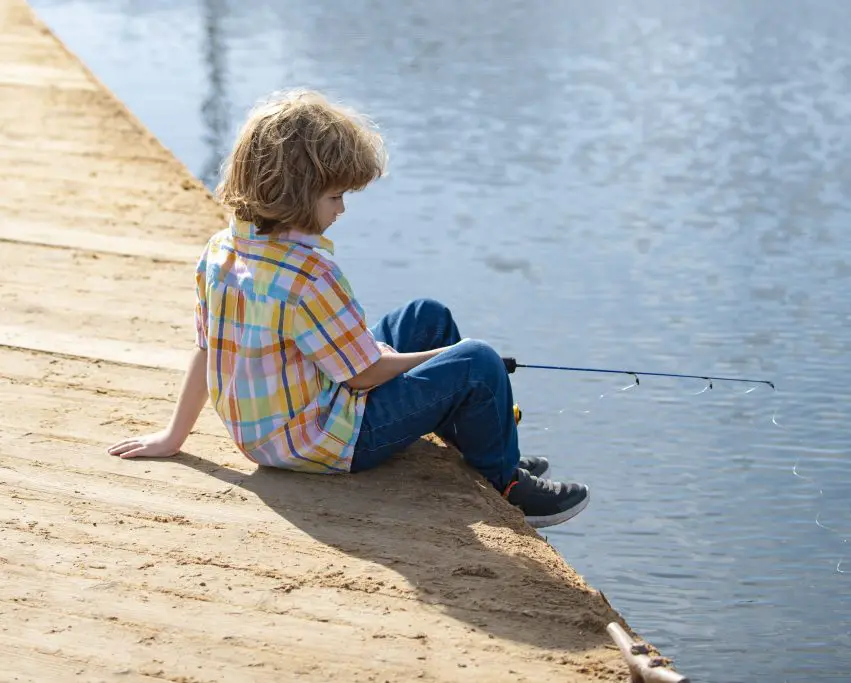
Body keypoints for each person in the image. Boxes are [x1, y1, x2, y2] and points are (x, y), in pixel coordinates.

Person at [106, 89, 590, 529]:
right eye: (335, 196)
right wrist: (446, 357)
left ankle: (486, 446)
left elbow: (207, 349)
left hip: (266, 431)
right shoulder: (310, 273)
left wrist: (175, 435)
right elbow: (363, 374)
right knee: (477, 360)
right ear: (296, 193)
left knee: (426, 317)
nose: (342, 210)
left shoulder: (220, 251)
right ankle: (507, 482)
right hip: (327, 443)